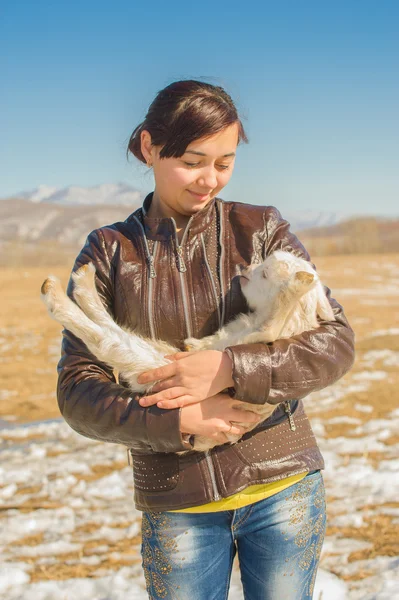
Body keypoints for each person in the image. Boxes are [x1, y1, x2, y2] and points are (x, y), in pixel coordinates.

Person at [57, 79, 355, 599]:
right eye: (194, 161)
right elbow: (78, 391)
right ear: (150, 146)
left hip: (282, 487)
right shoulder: (109, 252)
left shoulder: (260, 229)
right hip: (178, 505)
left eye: (225, 161)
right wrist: (173, 422)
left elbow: (334, 342)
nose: (209, 179)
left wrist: (231, 368)